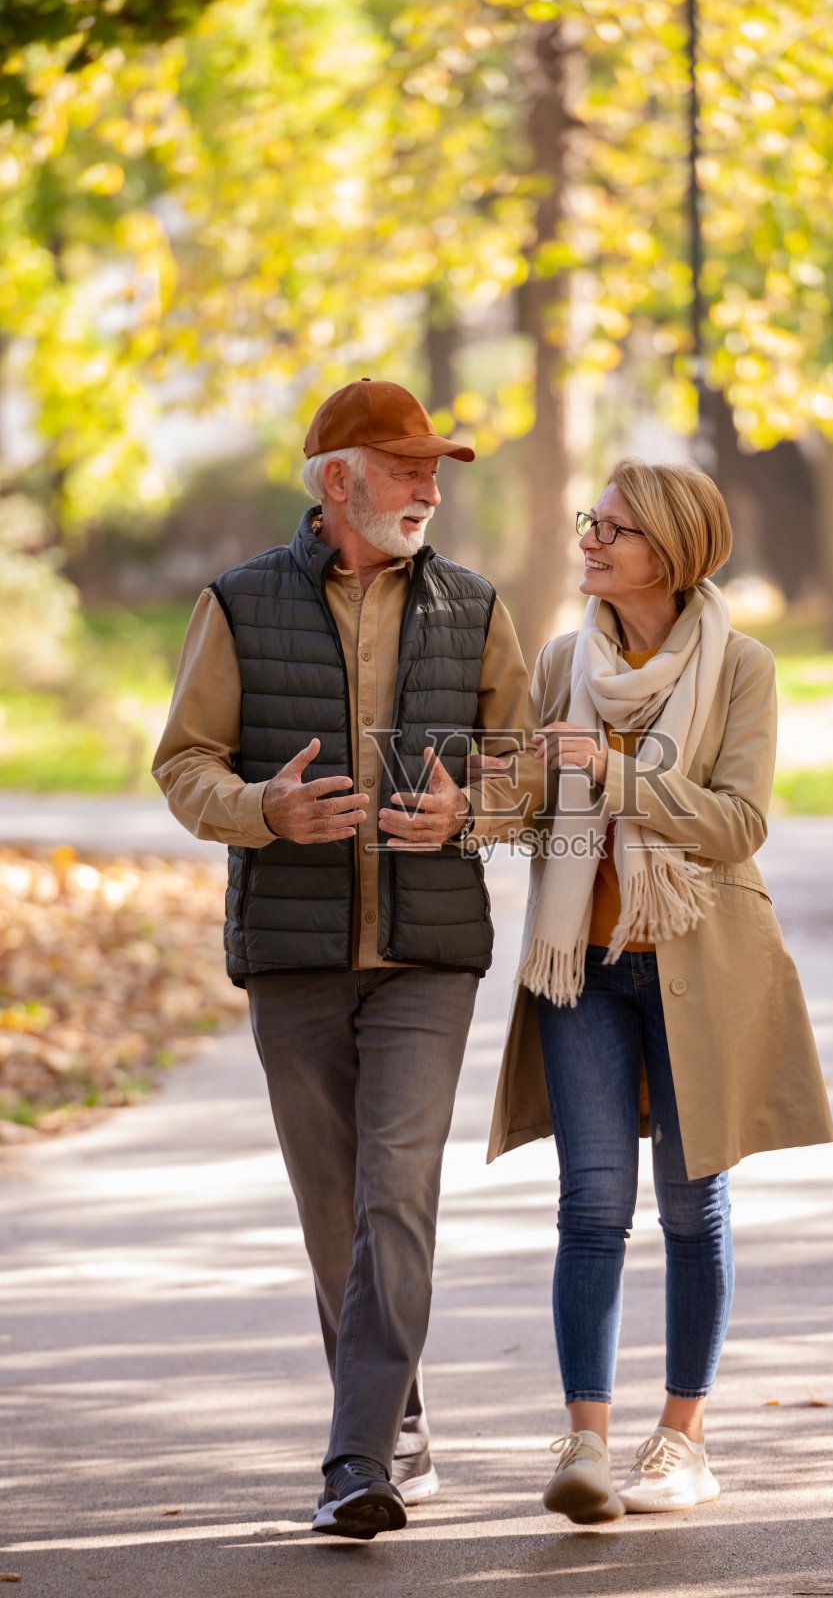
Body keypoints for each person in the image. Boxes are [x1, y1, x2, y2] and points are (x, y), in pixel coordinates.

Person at [153, 378, 542, 1540]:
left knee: (396, 1194)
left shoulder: (473, 605)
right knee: (336, 1210)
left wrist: (466, 813)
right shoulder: (237, 603)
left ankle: (356, 1456)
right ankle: (397, 1410)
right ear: (339, 482)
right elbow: (185, 763)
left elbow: (522, 766)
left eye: (438, 470)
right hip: (294, 953)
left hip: (428, 954)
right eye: (409, 466)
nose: (431, 488)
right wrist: (263, 807)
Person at [483, 458, 833, 1523]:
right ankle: (584, 1444)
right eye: (592, 520)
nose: (590, 539)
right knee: (591, 1203)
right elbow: (526, 802)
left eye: (616, 528)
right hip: (579, 964)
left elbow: (738, 823)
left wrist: (617, 768)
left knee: (693, 1204)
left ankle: (681, 1442)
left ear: (674, 551)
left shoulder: (743, 670)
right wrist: (477, 799)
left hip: (701, 961)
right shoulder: (561, 659)